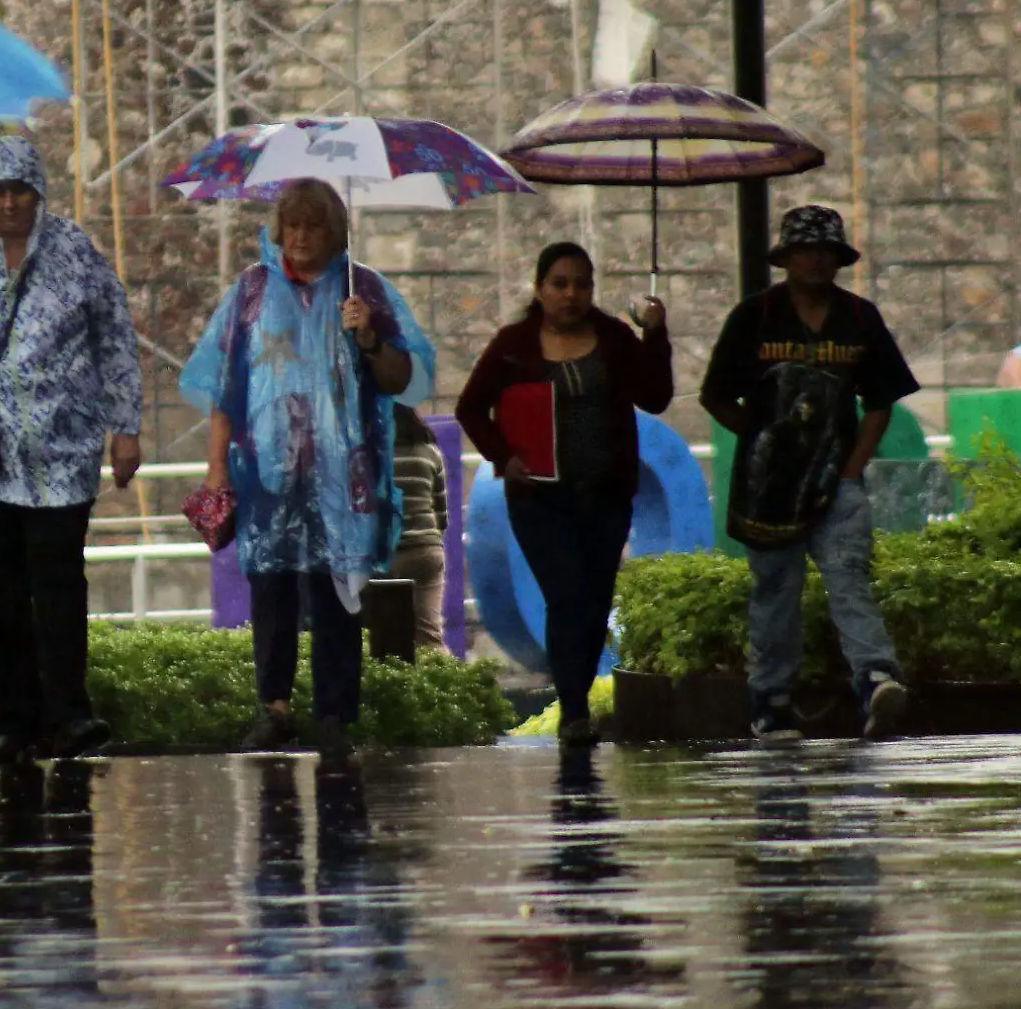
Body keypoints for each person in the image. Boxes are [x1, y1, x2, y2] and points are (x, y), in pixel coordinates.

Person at [178, 178, 437, 763]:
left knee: (336, 594)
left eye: (313, 225)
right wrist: (217, 466)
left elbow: (402, 379)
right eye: (290, 225)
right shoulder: (249, 292)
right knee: (270, 591)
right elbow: (226, 388)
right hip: (269, 477)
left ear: (335, 231)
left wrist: (368, 338)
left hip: (342, 479)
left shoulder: (362, 289)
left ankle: (334, 712)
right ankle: (274, 708)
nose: (299, 237)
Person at [0, 136, 144, 764]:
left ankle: (70, 715)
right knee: (0, 589)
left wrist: (124, 424)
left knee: (57, 585)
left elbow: (114, 333)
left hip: (62, 446)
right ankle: (16, 720)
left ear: (38, 192)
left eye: (20, 190)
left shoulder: (75, 250)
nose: (9, 203)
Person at [700, 205, 916, 742]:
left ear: (839, 259)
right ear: (787, 258)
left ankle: (875, 680)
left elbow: (882, 403)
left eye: (827, 252)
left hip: (837, 483)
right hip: (770, 492)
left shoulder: (860, 319)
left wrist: (850, 471)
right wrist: (761, 442)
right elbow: (716, 395)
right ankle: (769, 703)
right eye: (806, 251)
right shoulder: (754, 317)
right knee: (776, 589)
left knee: (849, 580)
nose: (816, 261)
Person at [455, 243, 672, 746]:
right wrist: (501, 457)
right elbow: (471, 408)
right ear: (539, 289)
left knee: (594, 601)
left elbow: (655, 396)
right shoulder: (513, 344)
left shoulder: (616, 338)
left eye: (581, 284)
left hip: (606, 495)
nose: (571, 294)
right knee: (566, 595)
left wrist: (655, 335)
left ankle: (576, 700)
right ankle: (574, 710)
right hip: (539, 499)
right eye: (559, 283)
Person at [386, 405, 446, 650]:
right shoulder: (430, 452)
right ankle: (447, 684)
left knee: (383, 636)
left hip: (387, 556)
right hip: (426, 551)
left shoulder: (373, 454)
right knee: (429, 635)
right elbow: (441, 514)